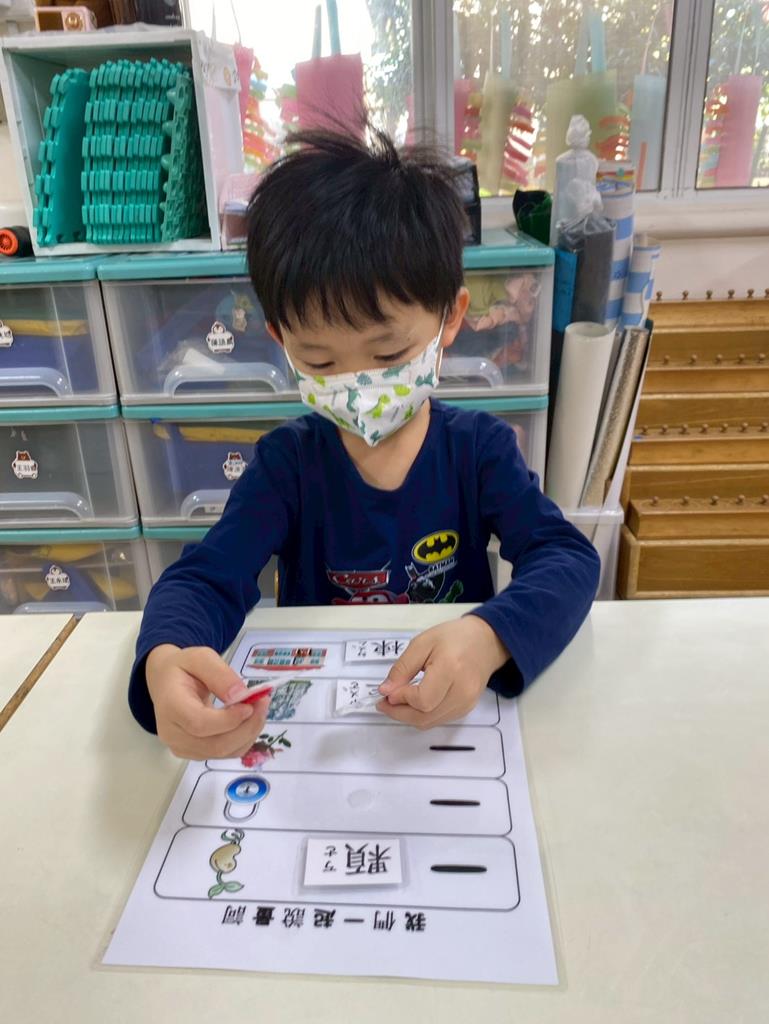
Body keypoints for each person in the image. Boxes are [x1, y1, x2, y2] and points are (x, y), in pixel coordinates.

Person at [128, 126, 600, 759]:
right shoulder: (286, 465)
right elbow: (205, 580)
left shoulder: (479, 450)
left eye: (388, 353)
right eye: (320, 360)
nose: (356, 385)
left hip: (449, 723)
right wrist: (167, 660)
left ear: (451, 317)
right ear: (280, 338)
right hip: (323, 731)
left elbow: (566, 559)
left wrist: (490, 637)